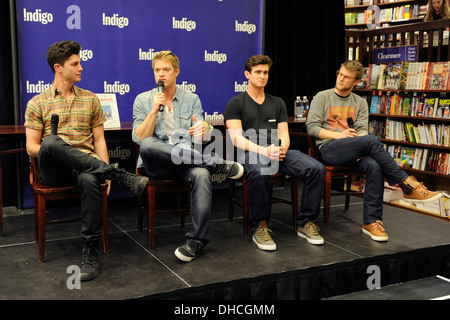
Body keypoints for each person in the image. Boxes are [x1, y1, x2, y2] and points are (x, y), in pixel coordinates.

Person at [24, 40, 149, 281]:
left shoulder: (91, 99)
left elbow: (100, 141)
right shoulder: (37, 103)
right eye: (75, 64)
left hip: (86, 166)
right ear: (59, 68)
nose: (81, 68)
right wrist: (59, 149)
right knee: (50, 142)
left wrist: (101, 163)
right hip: (55, 169)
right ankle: (116, 173)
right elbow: (31, 147)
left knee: (91, 180)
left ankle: (90, 252)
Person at [306, 60, 442, 242]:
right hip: (330, 149)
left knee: (375, 165)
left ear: (356, 82)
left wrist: (357, 142)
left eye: (347, 77)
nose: (341, 78)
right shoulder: (322, 97)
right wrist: (340, 136)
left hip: (355, 149)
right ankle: (406, 183)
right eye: (340, 73)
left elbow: (362, 132)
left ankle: (371, 222)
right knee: (371, 140)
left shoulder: (360, 103)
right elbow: (312, 128)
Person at [132, 50, 244, 262]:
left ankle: (197, 241)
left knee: (202, 175)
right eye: (157, 70)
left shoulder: (191, 98)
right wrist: (154, 110)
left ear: (177, 72)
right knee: (148, 144)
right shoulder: (143, 99)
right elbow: (139, 138)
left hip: (186, 160)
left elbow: (203, 133)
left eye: (166, 70)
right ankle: (216, 163)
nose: (161, 74)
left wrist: (205, 128)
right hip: (158, 163)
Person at [224, 54, 326, 251]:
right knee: (261, 169)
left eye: (265, 73)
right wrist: (264, 151)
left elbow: (284, 134)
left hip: (277, 151)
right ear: (247, 74)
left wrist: (282, 149)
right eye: (258, 72)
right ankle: (260, 226)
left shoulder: (277, 102)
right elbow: (236, 139)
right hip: (250, 152)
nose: (262, 76)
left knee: (316, 168)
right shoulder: (236, 103)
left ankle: (306, 222)